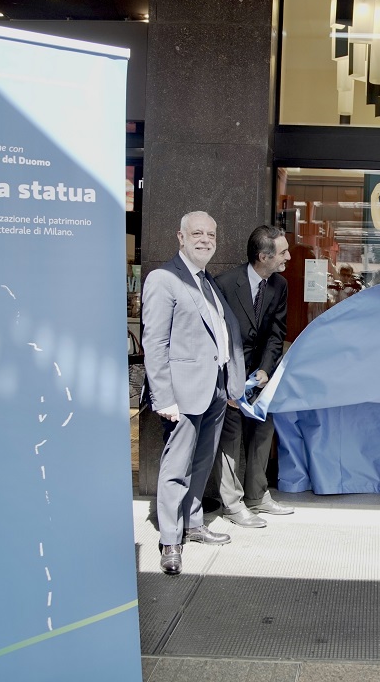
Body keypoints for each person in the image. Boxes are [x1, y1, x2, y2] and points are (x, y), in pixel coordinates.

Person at [142, 211, 245, 575]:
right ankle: (170, 540)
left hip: (214, 389)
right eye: (197, 233)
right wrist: (163, 396)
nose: (205, 239)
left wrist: (231, 386)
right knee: (176, 465)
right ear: (180, 237)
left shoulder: (207, 282)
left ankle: (193, 521)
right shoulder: (164, 278)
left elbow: (222, 333)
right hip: (182, 393)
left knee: (202, 462)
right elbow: (154, 342)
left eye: (211, 234)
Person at [211, 225, 295, 528]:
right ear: (263, 256)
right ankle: (232, 505)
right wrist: (230, 383)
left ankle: (257, 496)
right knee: (230, 438)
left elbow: (276, 333)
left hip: (260, 376)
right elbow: (218, 339)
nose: (288, 256)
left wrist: (264, 370)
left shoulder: (279, 285)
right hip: (230, 374)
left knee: (263, 431)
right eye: (283, 252)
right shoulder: (223, 284)